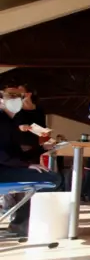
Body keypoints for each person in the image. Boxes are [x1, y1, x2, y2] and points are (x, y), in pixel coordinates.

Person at [0, 87, 63, 236]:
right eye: (11, 97)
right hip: (3, 171)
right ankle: (26, 225)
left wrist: (42, 148)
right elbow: (2, 156)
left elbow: (17, 155)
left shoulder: (10, 122)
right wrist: (27, 165)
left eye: (19, 98)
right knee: (52, 179)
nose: (16, 101)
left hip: (8, 168)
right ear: (1, 100)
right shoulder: (2, 121)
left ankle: (22, 224)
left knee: (51, 177)